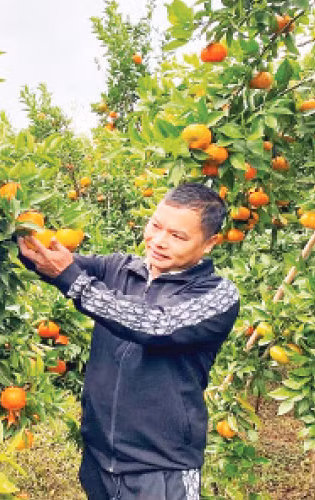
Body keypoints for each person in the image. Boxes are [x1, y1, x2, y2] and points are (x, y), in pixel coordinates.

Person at [17, 183, 239, 500]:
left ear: (210, 243)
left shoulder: (216, 295)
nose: (159, 242)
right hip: (99, 462)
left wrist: (74, 282)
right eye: (156, 226)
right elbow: (52, 262)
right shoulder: (120, 269)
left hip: (162, 471)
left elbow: (154, 324)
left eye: (177, 236)